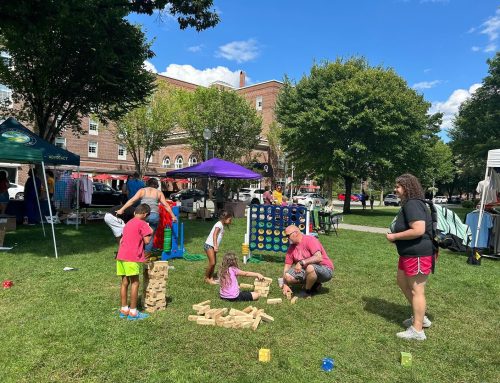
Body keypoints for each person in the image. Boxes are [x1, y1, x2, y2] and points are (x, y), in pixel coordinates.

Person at [386, 173, 434, 341]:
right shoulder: (410, 204)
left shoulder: (412, 204)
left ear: (407, 188)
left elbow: (419, 229)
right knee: (401, 281)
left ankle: (418, 329)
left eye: (398, 186)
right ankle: (420, 316)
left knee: (417, 290)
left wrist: (395, 236)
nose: (395, 189)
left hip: (418, 253)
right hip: (408, 253)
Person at [117, 178, 177, 258]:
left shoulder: (142, 190)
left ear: (147, 184)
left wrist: (121, 209)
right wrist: (173, 216)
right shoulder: (158, 192)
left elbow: (132, 200)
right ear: (156, 185)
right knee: (150, 236)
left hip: (142, 216)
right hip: (154, 216)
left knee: (137, 233)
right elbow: (166, 205)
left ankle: (135, 251)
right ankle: (146, 254)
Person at [116, 203, 153, 320]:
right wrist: (151, 231)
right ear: (145, 214)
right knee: (135, 283)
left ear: (134, 212)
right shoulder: (143, 224)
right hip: (132, 258)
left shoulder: (128, 223)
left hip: (121, 256)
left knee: (124, 282)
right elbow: (147, 241)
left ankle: (124, 309)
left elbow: (122, 239)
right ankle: (133, 312)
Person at [282, 224, 334, 298]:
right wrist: (285, 284)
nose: (287, 238)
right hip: (307, 270)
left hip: (325, 269)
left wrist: (301, 262)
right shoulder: (291, 248)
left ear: (295, 233)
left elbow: (318, 257)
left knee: (310, 267)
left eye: (288, 235)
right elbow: (286, 267)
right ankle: (315, 284)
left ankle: (307, 291)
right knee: (288, 276)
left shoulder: (310, 240)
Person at [204, 210, 233, 285]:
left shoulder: (222, 225)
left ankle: (211, 278)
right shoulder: (219, 224)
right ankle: (206, 278)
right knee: (212, 263)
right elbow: (214, 235)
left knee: (214, 263)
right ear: (225, 218)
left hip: (213, 246)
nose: (230, 221)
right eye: (230, 219)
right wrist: (215, 246)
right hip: (209, 245)